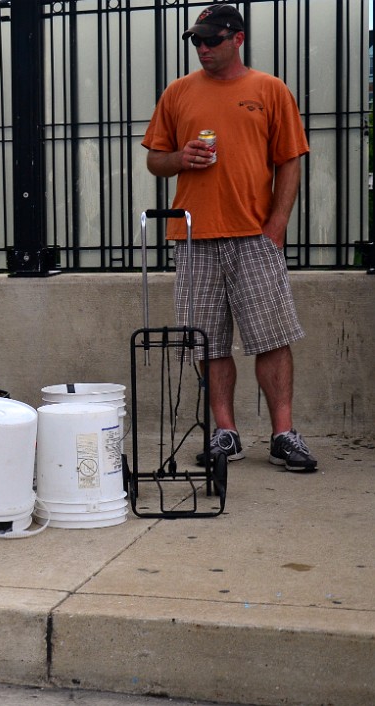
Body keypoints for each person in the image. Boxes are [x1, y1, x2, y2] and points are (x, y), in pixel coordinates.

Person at [141, 4, 316, 472]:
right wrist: (181, 157)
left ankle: (283, 434)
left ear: (237, 39)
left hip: (254, 235)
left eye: (211, 40)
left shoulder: (269, 90)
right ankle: (226, 433)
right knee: (208, 342)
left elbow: (291, 159)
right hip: (193, 236)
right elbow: (154, 160)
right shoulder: (178, 92)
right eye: (196, 41)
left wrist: (276, 224)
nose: (202, 48)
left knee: (272, 338)